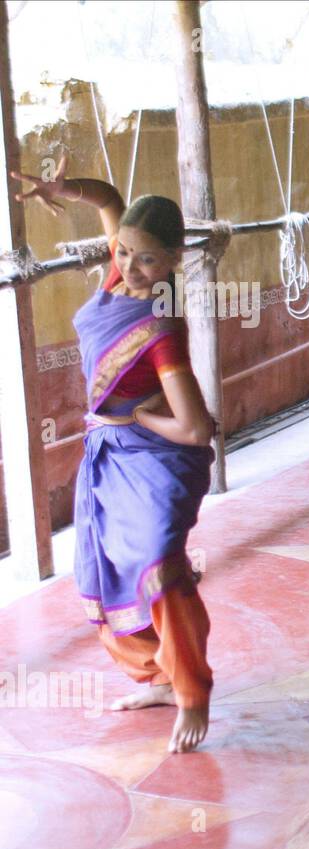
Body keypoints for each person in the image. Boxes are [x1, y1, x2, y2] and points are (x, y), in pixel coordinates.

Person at [12, 157, 216, 753]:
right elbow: (108, 198)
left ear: (174, 261)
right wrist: (62, 190)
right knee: (104, 568)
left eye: (146, 257)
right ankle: (156, 676)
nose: (128, 265)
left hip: (154, 458)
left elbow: (197, 428)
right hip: (109, 452)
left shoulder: (160, 328)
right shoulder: (118, 279)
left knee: (156, 564)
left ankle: (192, 688)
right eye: (123, 251)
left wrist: (140, 416)